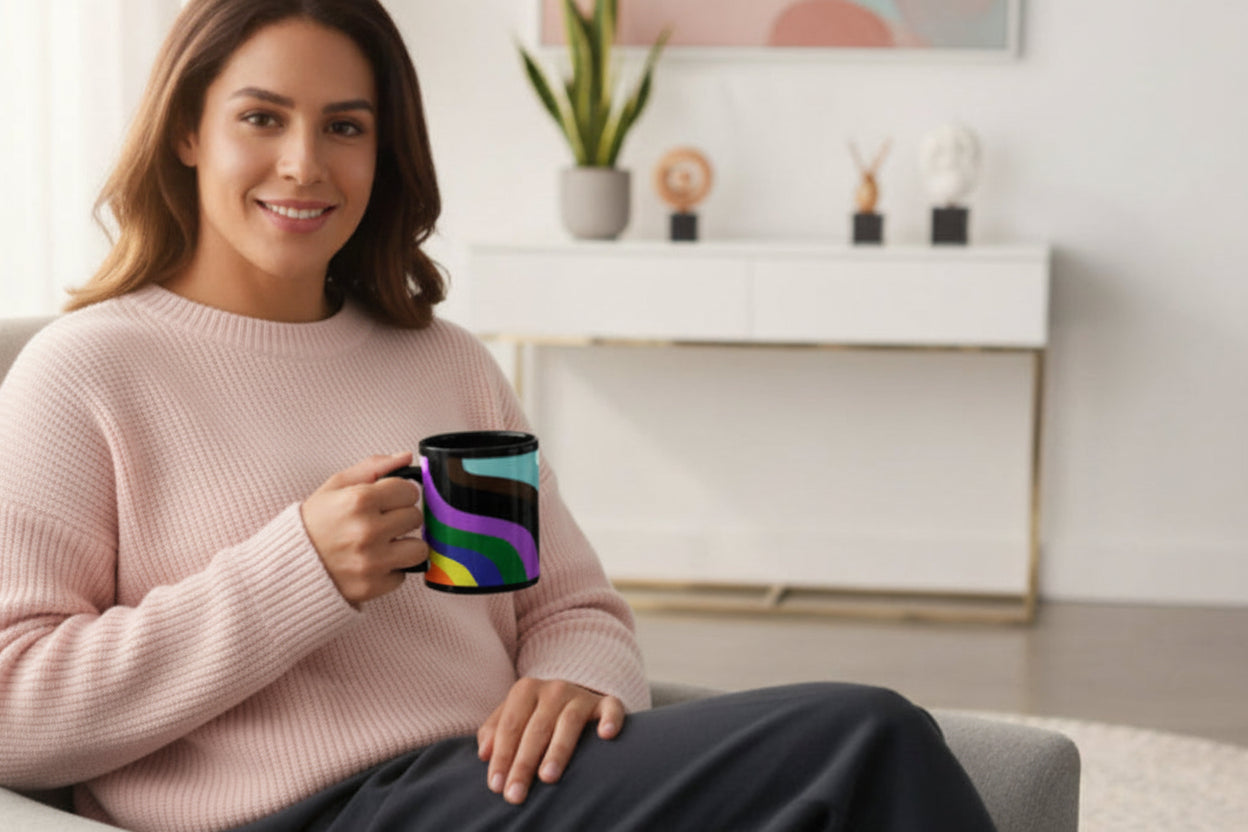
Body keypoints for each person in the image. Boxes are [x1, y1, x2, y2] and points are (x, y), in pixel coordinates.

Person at [0, 1, 998, 830]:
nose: (305, 163)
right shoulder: (87, 371)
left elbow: (571, 604)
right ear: (186, 130)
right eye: (261, 118)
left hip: (492, 788)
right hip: (302, 812)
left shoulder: (443, 361)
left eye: (346, 126)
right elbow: (14, 706)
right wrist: (296, 571)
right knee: (868, 738)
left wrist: (574, 676)